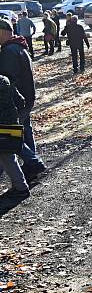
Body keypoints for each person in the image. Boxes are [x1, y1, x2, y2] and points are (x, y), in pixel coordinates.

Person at [0, 19, 46, 183]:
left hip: (16, 102)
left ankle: (33, 163)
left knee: (10, 135)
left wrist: (11, 102)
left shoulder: (9, 51)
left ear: (4, 31)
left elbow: (7, 81)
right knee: (24, 131)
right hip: (26, 98)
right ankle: (30, 165)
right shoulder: (19, 46)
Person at [0, 72, 30, 199]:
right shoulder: (5, 80)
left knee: (8, 158)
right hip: (11, 124)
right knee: (8, 157)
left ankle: (21, 187)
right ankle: (19, 186)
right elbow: (21, 101)